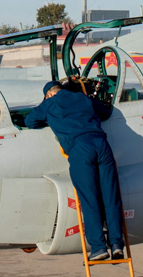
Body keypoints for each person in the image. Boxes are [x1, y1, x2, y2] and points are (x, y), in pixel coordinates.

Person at [24, 80, 126, 260]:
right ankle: (117, 244)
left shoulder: (49, 103)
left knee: (90, 199)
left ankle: (98, 248)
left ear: (48, 94)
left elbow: (29, 121)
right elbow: (106, 111)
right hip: (102, 145)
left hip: (81, 149)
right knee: (111, 197)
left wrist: (51, 117)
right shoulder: (82, 98)